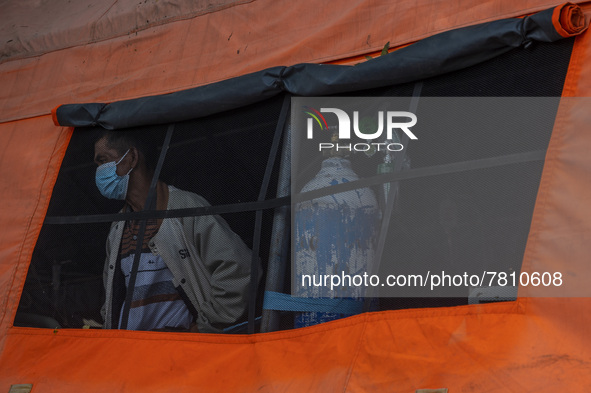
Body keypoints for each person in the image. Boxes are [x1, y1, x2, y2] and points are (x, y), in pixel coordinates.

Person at [93, 129, 256, 333]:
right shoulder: (117, 229)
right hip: (133, 355)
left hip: (181, 351)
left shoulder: (185, 207)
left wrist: (206, 326)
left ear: (132, 157)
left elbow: (240, 270)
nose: (99, 171)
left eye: (103, 161)